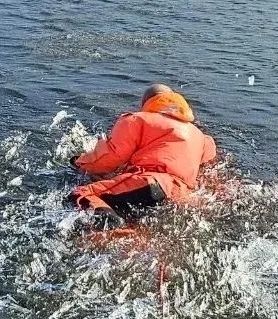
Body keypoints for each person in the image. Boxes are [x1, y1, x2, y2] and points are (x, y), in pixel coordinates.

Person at [70, 83, 217, 219]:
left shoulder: (138, 119)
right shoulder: (201, 137)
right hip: (182, 196)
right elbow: (209, 168)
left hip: (152, 182)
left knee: (82, 195)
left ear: (147, 103)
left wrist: (79, 162)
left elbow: (110, 158)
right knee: (133, 217)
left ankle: (111, 235)